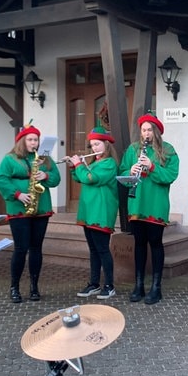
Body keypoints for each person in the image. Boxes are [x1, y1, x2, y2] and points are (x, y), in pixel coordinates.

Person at [0, 121, 60, 303]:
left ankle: (34, 286)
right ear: (22, 141)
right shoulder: (10, 159)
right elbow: (1, 180)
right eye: (30, 140)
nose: (34, 143)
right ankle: (14, 287)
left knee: (36, 248)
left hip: (41, 209)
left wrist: (45, 175)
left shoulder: (44, 159)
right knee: (20, 248)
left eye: (36, 140)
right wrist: (17, 194)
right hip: (19, 209)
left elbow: (56, 178)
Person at [119, 113, 179, 305]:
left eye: (149, 129)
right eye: (143, 130)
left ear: (157, 131)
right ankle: (139, 286)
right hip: (136, 203)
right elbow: (122, 172)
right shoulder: (133, 149)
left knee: (155, 242)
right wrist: (131, 171)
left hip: (155, 204)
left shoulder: (168, 150)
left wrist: (152, 166)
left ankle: (156, 287)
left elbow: (171, 175)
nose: (146, 133)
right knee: (139, 243)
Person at [65, 127, 119, 299]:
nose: (94, 148)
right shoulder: (95, 162)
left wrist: (79, 165)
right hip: (89, 211)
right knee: (93, 250)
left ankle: (109, 285)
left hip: (101, 211)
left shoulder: (109, 163)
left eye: (97, 144)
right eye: (92, 145)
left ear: (106, 144)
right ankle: (94, 283)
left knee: (102, 249)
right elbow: (80, 177)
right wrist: (74, 168)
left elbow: (91, 178)